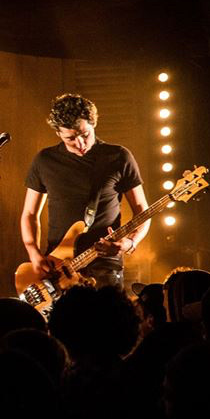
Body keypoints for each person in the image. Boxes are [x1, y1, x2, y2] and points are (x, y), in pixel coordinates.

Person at [20, 94, 150, 289]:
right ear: (58, 134)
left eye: (85, 134)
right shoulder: (45, 161)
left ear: (93, 124)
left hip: (104, 263)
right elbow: (29, 214)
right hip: (59, 265)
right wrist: (34, 253)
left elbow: (142, 210)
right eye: (70, 138)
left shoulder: (118, 156)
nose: (80, 144)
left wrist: (130, 243)